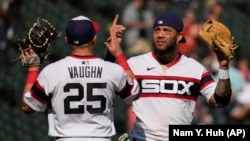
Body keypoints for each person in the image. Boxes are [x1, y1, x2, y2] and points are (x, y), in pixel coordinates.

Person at [105, 11, 232, 141]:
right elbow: (106, 84)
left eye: (167, 31)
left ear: (179, 36)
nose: (160, 35)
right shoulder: (135, 64)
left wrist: (223, 69)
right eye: (157, 30)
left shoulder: (195, 69)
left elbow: (220, 101)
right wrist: (110, 53)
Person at [21, 15, 140, 141]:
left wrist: (33, 69)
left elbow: (27, 106)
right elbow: (134, 92)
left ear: (67, 40)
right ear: (94, 39)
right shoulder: (112, 71)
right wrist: (118, 53)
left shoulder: (51, 71)